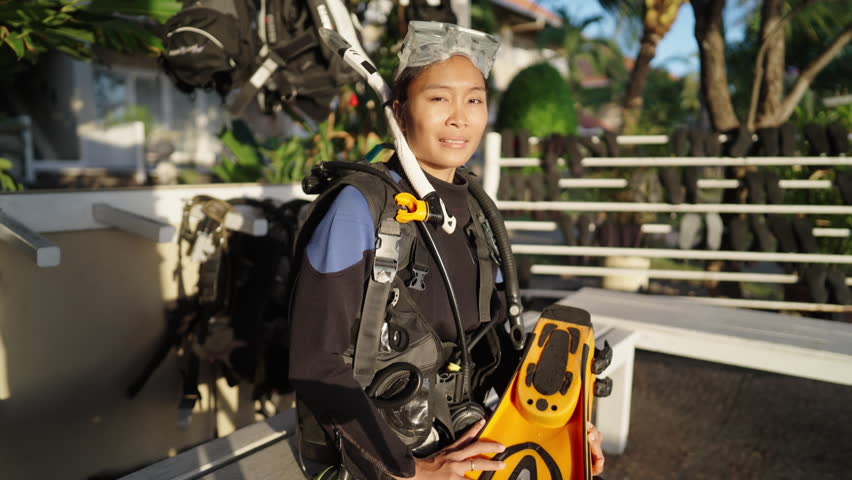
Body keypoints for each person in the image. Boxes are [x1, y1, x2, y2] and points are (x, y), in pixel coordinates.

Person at [289, 21, 605, 480]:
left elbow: (494, 339)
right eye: (439, 99)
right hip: (379, 456)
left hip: (461, 434)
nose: (461, 117)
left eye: (474, 99)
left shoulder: (475, 212)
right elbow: (314, 361)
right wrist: (413, 470)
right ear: (399, 112)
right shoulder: (360, 208)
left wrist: (568, 425)